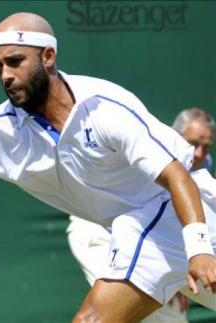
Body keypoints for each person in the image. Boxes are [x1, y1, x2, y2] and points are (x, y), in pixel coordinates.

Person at [0, 12, 216, 322]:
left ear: (48, 56)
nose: (5, 75)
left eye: (15, 61)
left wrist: (199, 247)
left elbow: (175, 175)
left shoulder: (102, 107)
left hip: (183, 208)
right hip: (135, 228)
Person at [67, 108, 215, 323]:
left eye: (206, 146)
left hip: (168, 244)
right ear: (175, 136)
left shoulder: (203, 170)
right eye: (193, 143)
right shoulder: (150, 151)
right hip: (102, 232)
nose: (199, 153)